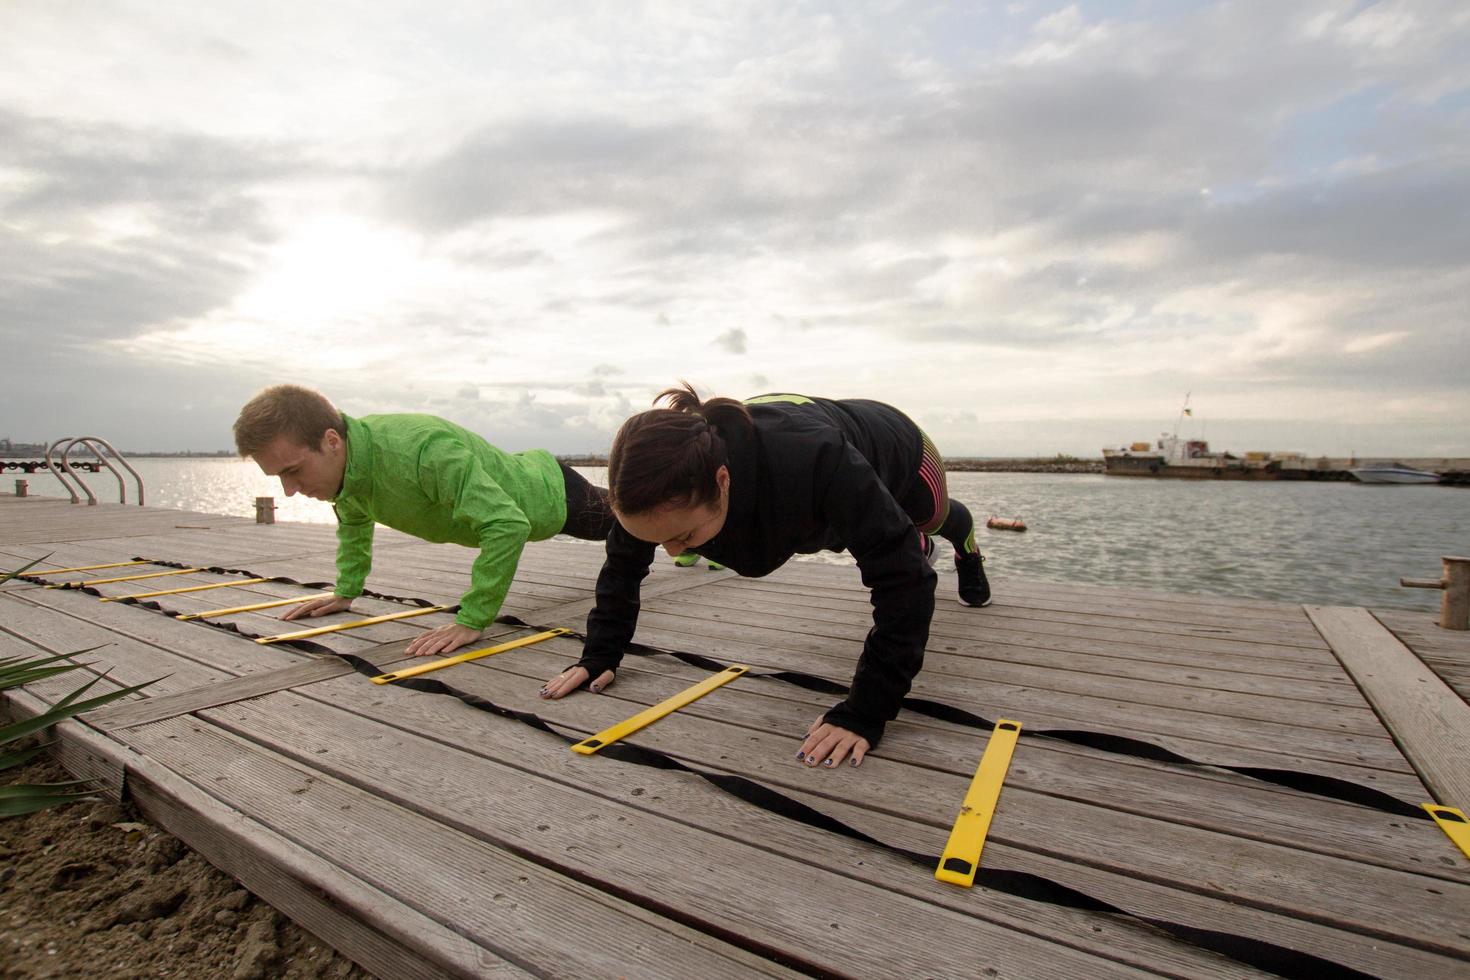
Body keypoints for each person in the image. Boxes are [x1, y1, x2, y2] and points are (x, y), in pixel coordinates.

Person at [539, 385, 990, 771]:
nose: (673, 552)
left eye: (683, 536)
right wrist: (598, 655)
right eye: (659, 541)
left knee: (928, 521)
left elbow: (904, 582)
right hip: (800, 493)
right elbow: (622, 567)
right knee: (854, 534)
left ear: (721, 480)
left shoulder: (817, 459)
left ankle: (961, 546)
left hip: (897, 448)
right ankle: (904, 536)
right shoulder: (657, 488)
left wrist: (865, 712)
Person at [233, 385, 615, 657]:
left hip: (551, 496)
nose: (289, 491)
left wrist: (472, 621)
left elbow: (507, 524)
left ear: (331, 440)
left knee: (634, 519)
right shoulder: (349, 473)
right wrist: (345, 593)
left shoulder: (423, 450)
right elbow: (353, 523)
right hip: (525, 481)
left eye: (293, 471)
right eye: (279, 478)